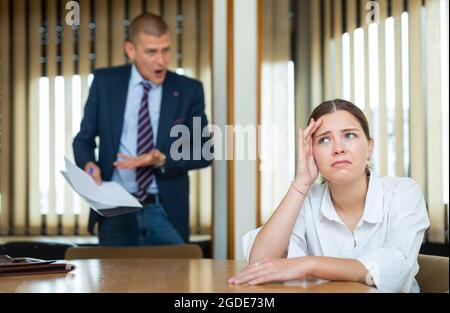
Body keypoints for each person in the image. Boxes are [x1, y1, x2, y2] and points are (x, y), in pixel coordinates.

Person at [229, 99, 430, 292]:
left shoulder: (403, 193)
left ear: (370, 147)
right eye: (324, 139)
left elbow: (396, 270)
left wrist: (310, 265)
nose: (338, 149)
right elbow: (260, 263)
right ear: (311, 152)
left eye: (350, 135)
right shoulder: (306, 201)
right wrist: (301, 183)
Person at [73, 13, 213, 246]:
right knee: (113, 282)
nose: (161, 61)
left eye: (166, 50)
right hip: (115, 210)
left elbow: (203, 152)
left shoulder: (189, 90)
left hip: (165, 212)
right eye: (151, 52)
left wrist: (161, 159)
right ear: (131, 50)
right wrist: (89, 166)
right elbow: (83, 140)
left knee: (175, 282)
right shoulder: (105, 82)